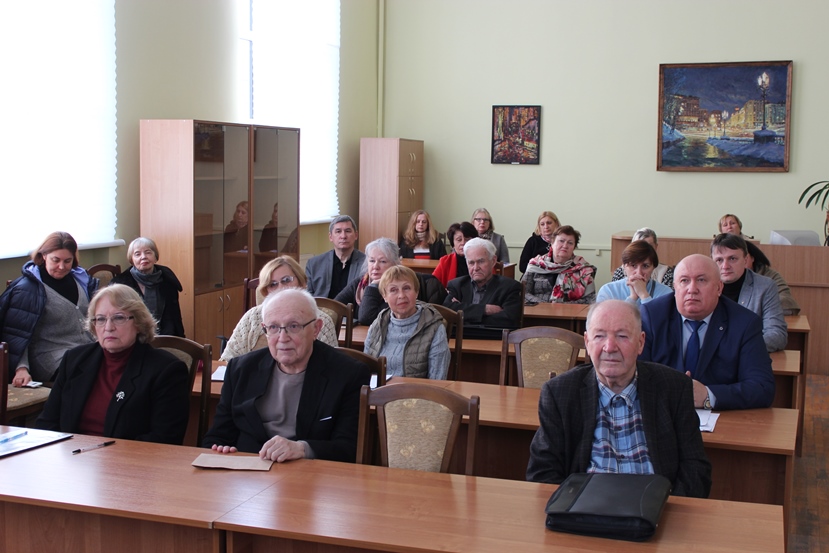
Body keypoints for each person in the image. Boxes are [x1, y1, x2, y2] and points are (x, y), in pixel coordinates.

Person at [526, 300, 711, 498]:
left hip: (657, 508)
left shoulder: (674, 388)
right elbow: (542, 473)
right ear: (587, 342)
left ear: (640, 343)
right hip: (585, 508)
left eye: (622, 336)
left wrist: (669, 509)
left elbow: (696, 468)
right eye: (599, 336)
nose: (610, 347)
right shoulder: (559, 393)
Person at [203, 288, 371, 462]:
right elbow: (216, 437)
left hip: (311, 472)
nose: (282, 338)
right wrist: (221, 448)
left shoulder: (349, 374)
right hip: (248, 471)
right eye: (273, 327)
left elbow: (349, 448)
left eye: (293, 326)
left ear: (316, 329)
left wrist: (303, 448)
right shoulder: (240, 369)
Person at [36, 285, 190, 444]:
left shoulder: (166, 370)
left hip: (128, 458)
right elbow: (47, 423)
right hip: (71, 454)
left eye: (119, 318)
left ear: (138, 323)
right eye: (101, 319)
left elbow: (165, 439)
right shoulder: (74, 359)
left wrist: (104, 456)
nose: (108, 327)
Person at [639, 254, 775, 410]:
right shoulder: (652, 316)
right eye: (684, 281)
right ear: (675, 288)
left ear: (719, 288)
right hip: (662, 411)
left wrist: (708, 395)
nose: (692, 289)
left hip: (723, 419)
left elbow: (762, 387)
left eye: (701, 280)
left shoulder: (744, 323)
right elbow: (635, 376)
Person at [0, 231, 97, 386]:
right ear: (43, 255)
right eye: (55, 260)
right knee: (92, 375)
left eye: (67, 261)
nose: (62, 266)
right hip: (50, 357)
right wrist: (21, 368)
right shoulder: (27, 289)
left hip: (86, 350)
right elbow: (16, 333)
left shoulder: (81, 280)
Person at [220, 256, 338, 362]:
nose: (281, 288)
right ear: (266, 291)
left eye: (286, 280)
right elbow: (228, 359)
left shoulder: (321, 321)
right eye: (273, 284)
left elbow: (331, 366)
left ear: (301, 282)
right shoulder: (252, 317)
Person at [364, 266, 450, 380]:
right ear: (384, 296)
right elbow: (366, 371)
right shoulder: (377, 324)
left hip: (416, 391)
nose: (401, 295)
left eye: (406, 288)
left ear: (416, 292)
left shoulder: (434, 327)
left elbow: (437, 380)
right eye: (393, 290)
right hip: (379, 390)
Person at [336, 237, 446, 325]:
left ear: (395, 264)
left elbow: (367, 318)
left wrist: (373, 287)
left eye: (383, 261)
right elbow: (334, 307)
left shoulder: (400, 287)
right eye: (372, 261)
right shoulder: (361, 283)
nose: (375, 266)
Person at [711, 233, 787, 352]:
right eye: (719, 260)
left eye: (732, 259)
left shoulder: (765, 287)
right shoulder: (703, 286)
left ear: (745, 260)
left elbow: (777, 335)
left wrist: (737, 348)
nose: (725, 266)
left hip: (747, 355)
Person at [443, 238, 522, 339]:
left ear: (493, 261)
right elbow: (447, 312)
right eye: (471, 263)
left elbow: (509, 320)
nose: (476, 268)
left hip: (493, 342)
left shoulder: (510, 287)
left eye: (481, 261)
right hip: (460, 340)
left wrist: (465, 314)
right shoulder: (456, 285)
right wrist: (484, 309)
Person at [110, 237, 185, 337]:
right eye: (137, 254)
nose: (143, 257)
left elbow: (175, 317)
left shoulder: (167, 280)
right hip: (133, 338)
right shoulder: (121, 284)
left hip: (166, 336)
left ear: (155, 257)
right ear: (131, 259)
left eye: (148, 252)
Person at [522, 225, 596, 304]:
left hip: (570, 311)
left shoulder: (583, 269)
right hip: (537, 309)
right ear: (552, 243)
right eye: (561, 241)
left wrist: (560, 307)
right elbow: (523, 293)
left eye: (570, 243)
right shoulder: (536, 264)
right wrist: (545, 306)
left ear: (574, 247)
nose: (565, 246)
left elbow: (589, 299)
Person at [305, 215, 366, 299]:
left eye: (348, 231)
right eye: (338, 231)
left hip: (353, 307)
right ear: (330, 237)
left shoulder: (366, 263)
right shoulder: (314, 264)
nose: (343, 236)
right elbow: (307, 295)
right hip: (322, 307)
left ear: (356, 235)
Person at [597, 241, 672, 305]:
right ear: (624, 266)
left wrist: (644, 295)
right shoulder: (608, 291)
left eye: (645, 266)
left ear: (653, 268)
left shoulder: (666, 293)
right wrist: (632, 298)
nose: (639, 273)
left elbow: (660, 318)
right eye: (633, 265)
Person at [745, 241, 800, 316]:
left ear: (752, 258)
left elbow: (787, 302)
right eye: (732, 259)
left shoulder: (769, 275)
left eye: (744, 258)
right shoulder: (728, 276)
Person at [432, 221, 478, 287]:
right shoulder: (445, 261)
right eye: (459, 240)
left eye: (467, 240)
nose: (463, 243)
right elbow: (432, 283)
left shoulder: (483, 260)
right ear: (453, 244)